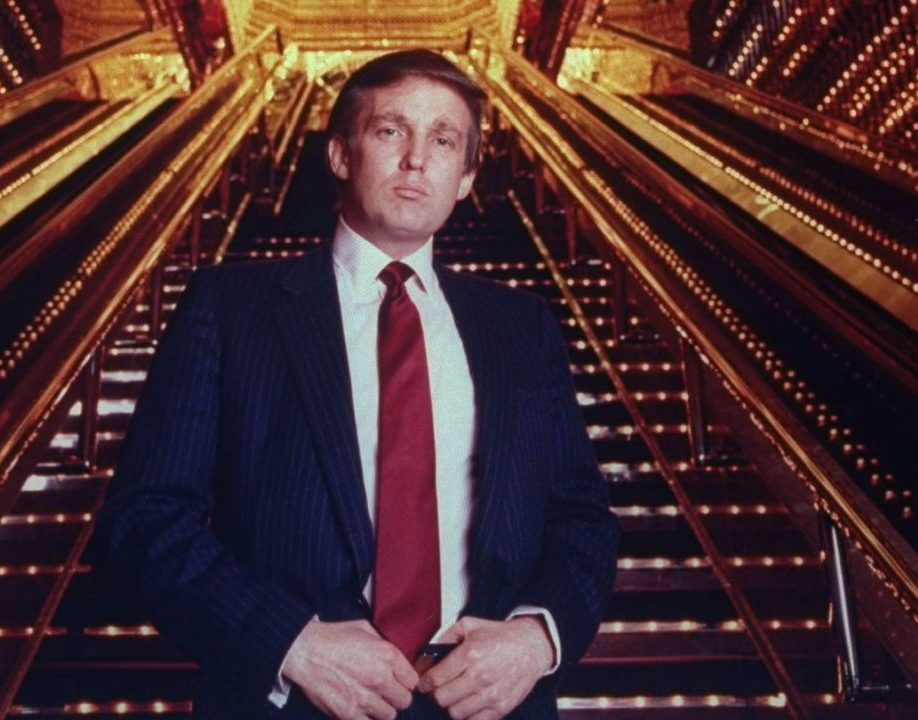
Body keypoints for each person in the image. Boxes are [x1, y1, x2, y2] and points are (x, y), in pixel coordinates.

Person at [99, 49, 620, 720]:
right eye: (389, 131)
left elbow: (581, 518)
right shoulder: (232, 308)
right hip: (294, 702)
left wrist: (536, 638)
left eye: (443, 140)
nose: (416, 159)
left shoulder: (519, 324)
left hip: (486, 705)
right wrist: (290, 643)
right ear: (341, 154)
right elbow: (143, 520)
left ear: (464, 178)